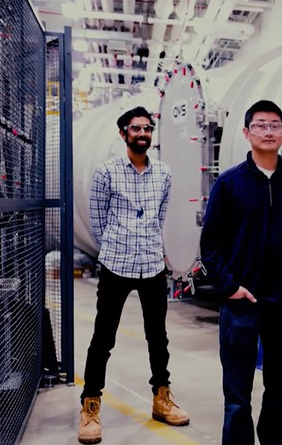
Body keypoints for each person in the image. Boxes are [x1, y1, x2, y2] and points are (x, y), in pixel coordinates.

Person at [200, 100, 282, 445]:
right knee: (238, 397)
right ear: (246, 132)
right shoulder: (228, 183)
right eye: (261, 125)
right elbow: (210, 244)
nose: (268, 132)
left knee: (279, 393)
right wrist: (229, 287)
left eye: (275, 126)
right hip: (242, 304)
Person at [79, 106, 187, 445]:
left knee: (158, 338)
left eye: (147, 128)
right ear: (123, 133)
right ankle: (91, 405)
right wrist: (116, 246)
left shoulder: (164, 174)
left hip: (152, 266)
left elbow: (160, 216)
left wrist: (149, 245)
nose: (143, 134)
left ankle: (161, 398)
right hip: (117, 266)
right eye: (136, 128)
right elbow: (97, 223)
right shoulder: (106, 172)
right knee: (103, 339)